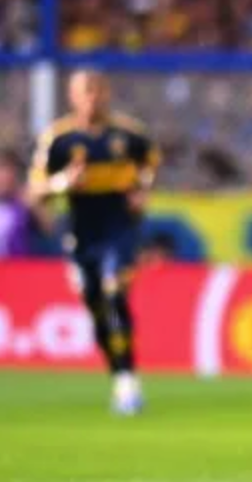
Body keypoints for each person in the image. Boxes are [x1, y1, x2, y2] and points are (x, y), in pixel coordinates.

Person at [28, 70, 161, 415]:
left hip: (120, 226)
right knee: (95, 303)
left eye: (98, 90)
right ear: (72, 96)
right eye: (86, 91)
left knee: (114, 289)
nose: (93, 97)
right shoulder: (59, 139)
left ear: (108, 93)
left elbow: (151, 166)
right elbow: (35, 190)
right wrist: (63, 183)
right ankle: (118, 374)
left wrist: (142, 191)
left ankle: (128, 379)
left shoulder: (129, 134)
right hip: (81, 231)